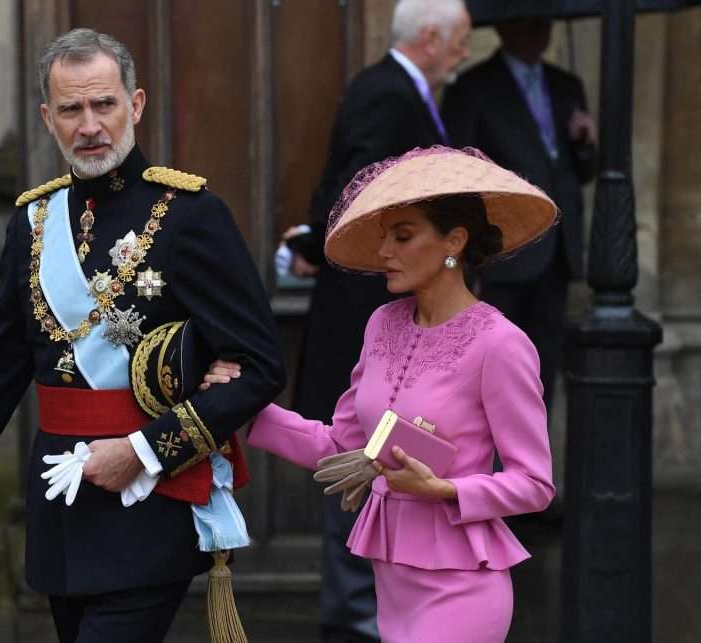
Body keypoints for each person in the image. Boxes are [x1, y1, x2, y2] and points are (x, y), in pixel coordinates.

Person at [0, 28, 285, 643]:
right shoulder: (32, 222)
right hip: (60, 511)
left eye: (103, 104)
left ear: (135, 104)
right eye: (72, 109)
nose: (90, 126)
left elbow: (261, 365)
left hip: (149, 504)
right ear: (49, 119)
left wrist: (144, 450)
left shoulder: (190, 215)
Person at [235, 146, 557, 642]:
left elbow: (534, 484)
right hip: (392, 590)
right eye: (385, 236)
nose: (384, 251)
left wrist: (444, 490)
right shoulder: (381, 324)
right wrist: (245, 409)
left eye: (402, 236)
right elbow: (343, 446)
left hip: (463, 590)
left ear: (454, 240)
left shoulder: (501, 344)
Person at [282, 2, 472, 640]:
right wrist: (323, 242)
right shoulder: (387, 94)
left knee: (387, 461)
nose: (464, 55)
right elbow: (359, 193)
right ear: (429, 38)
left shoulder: (391, 90)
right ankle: (359, 616)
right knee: (359, 458)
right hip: (365, 317)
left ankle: (379, 608)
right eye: (461, 43)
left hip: (386, 316)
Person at [441, 16, 597, 411]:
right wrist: (466, 262)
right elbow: (459, 177)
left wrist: (584, 142)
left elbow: (582, 171)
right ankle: (492, 469)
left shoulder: (566, 85)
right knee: (492, 371)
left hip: (556, 252)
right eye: (529, 24)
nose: (538, 32)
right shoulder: (473, 86)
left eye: (543, 25)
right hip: (502, 253)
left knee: (543, 371)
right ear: (505, 27)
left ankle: (533, 467)